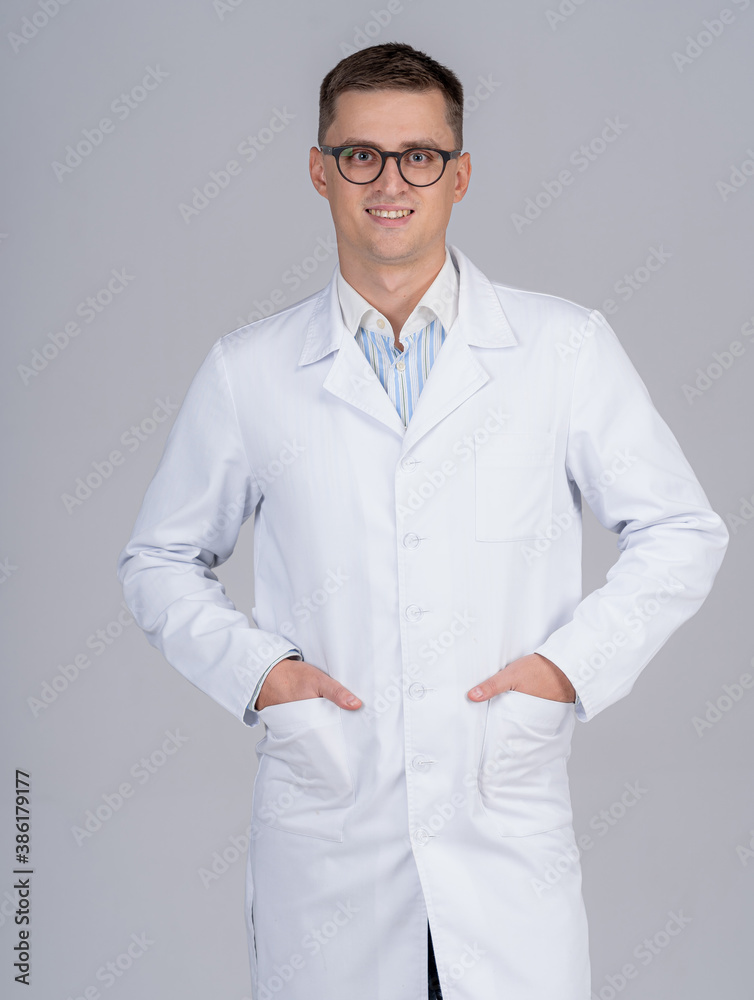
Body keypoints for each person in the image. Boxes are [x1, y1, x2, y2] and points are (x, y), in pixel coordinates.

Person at [116, 42, 729, 1000]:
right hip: (333, 836)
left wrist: (567, 670)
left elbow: (683, 531)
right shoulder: (250, 372)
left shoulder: (561, 350)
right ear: (320, 172)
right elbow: (158, 559)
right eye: (361, 155)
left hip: (503, 820)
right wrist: (262, 675)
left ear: (461, 174)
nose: (390, 181)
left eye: (420, 155)